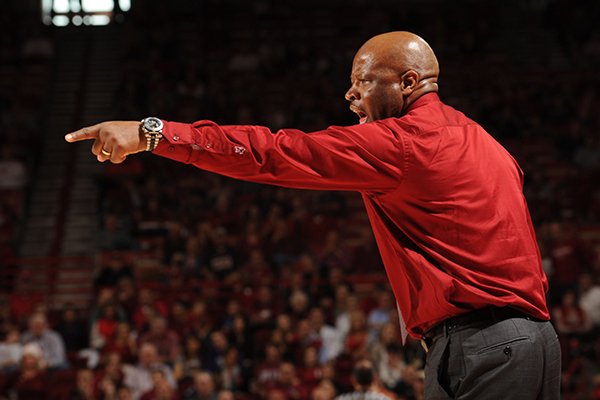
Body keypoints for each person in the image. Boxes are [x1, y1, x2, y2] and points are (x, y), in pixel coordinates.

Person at [65, 31, 560, 399]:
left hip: (483, 348)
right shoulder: (488, 143)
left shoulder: (403, 142)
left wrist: (155, 132)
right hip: (533, 341)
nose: (350, 97)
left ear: (409, 82)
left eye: (362, 82)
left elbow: (274, 153)